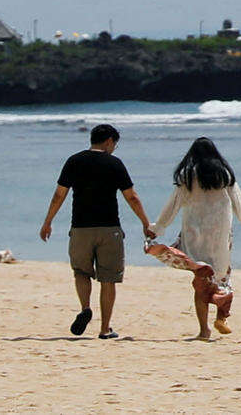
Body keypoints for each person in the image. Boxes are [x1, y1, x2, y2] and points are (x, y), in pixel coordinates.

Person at [39, 123, 154, 338]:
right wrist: (146, 223)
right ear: (109, 141)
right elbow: (132, 197)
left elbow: (59, 195)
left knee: (81, 272)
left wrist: (47, 222)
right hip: (109, 228)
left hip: (81, 228)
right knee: (108, 278)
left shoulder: (74, 161)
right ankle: (104, 328)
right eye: (114, 144)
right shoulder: (114, 163)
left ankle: (85, 309)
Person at [151, 136, 241, 339]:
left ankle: (204, 330)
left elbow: (173, 204)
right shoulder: (224, 174)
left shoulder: (188, 175)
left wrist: (157, 228)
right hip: (219, 237)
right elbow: (239, 203)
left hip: (194, 236)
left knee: (201, 279)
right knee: (222, 277)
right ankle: (221, 317)